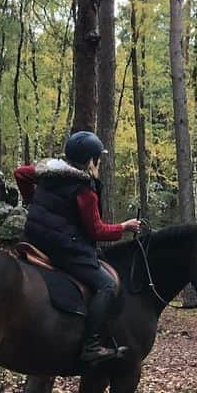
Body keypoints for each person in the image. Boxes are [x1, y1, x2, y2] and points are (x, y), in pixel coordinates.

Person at [14, 132, 143, 366]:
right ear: (91, 161)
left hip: (35, 238)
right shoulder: (84, 190)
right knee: (107, 284)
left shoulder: (48, 171)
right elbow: (96, 231)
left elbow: (20, 173)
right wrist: (125, 227)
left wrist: (32, 201)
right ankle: (91, 346)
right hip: (64, 247)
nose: (99, 163)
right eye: (98, 159)